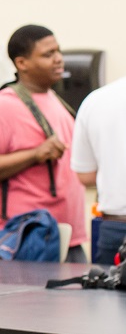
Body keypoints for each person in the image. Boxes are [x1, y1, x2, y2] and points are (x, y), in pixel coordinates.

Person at [0, 24, 87, 263]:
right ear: (21, 63)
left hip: (67, 237)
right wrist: (34, 155)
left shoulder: (56, 101)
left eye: (58, 51)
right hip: (20, 240)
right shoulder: (0, 107)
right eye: (48, 54)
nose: (59, 59)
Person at [70, 76, 126, 264]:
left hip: (115, 227)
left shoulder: (96, 101)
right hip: (115, 228)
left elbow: (85, 175)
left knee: (111, 293)